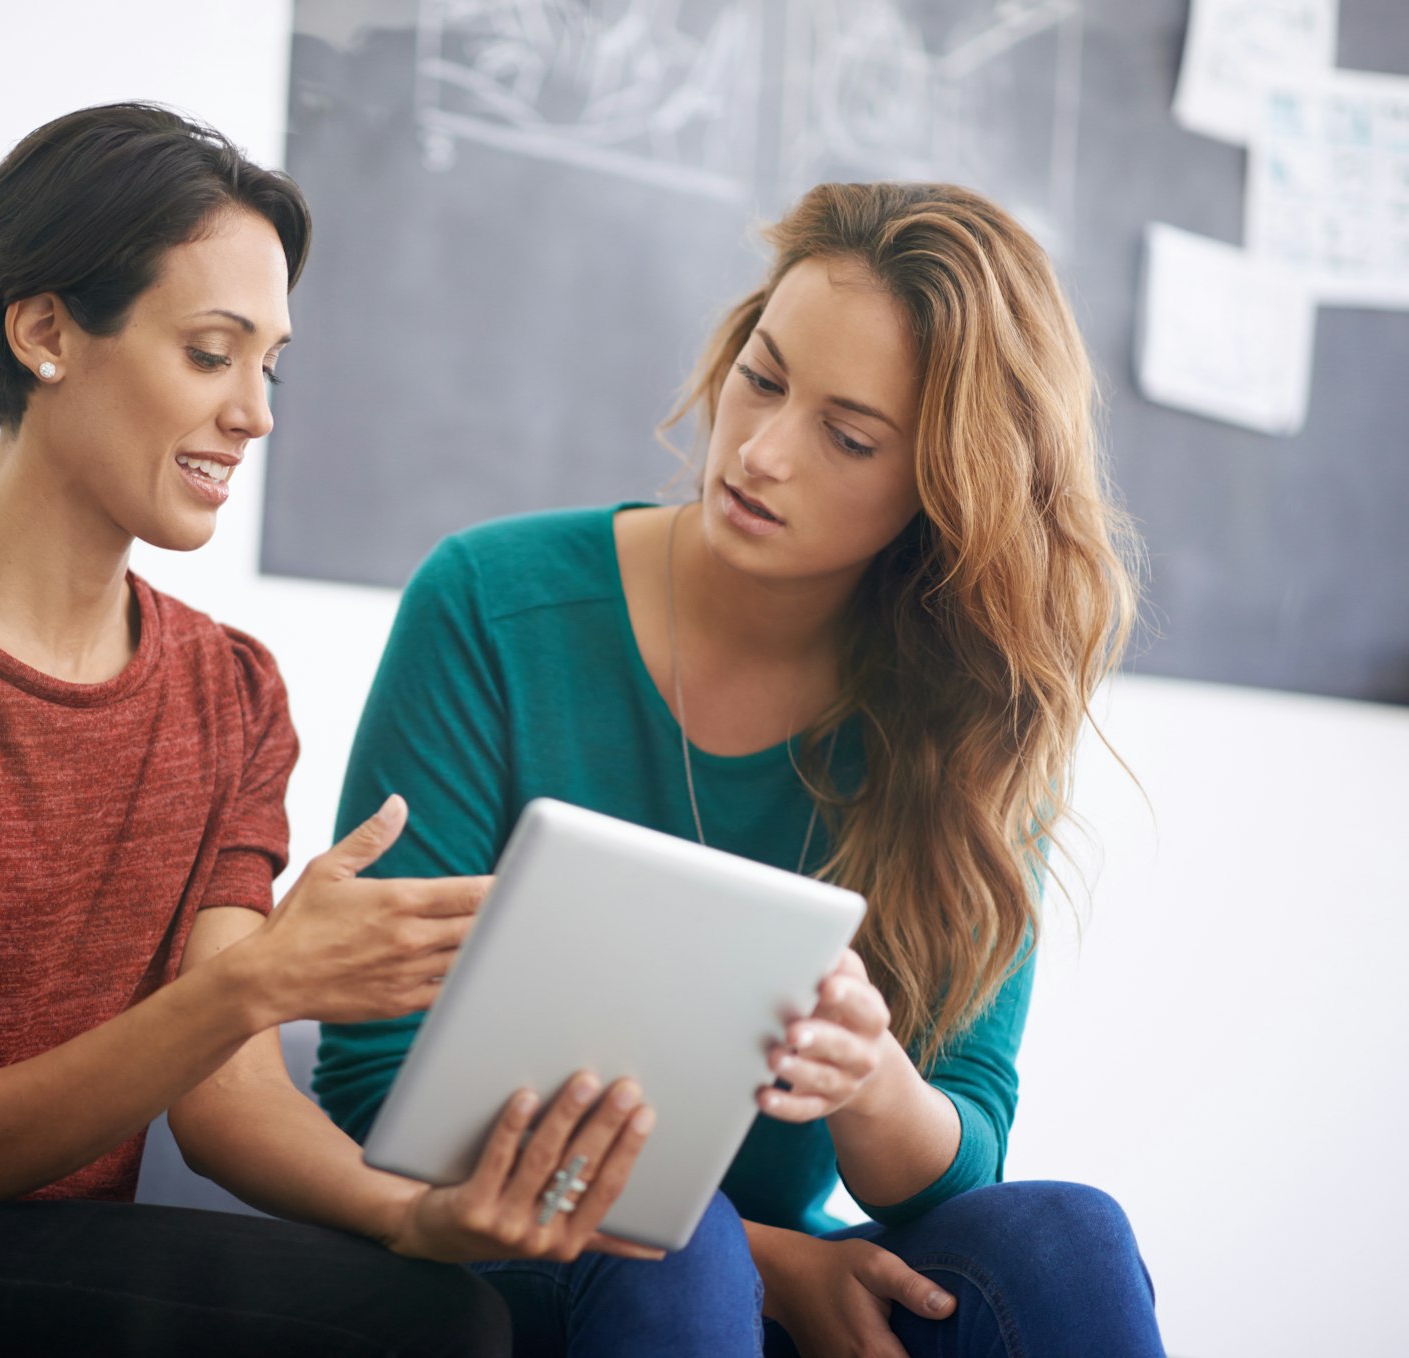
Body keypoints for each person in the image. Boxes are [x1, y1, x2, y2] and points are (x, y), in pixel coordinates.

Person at [0, 102, 669, 1358]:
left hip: (20, 1249)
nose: (257, 414)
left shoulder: (229, 692)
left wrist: (423, 1211)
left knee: (447, 1296)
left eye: (269, 363)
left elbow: (224, 1102)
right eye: (211, 353)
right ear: (46, 330)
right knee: (413, 1329)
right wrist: (253, 981)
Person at [313, 181, 1169, 1358]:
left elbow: (951, 1166)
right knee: (684, 1247)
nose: (759, 451)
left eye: (848, 434)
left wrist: (870, 1081)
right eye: (761, 377)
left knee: (1063, 1236)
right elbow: (369, 1079)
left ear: (945, 489)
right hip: (509, 1248)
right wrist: (775, 1265)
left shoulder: (977, 708)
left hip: (753, 1274)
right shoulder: (490, 605)